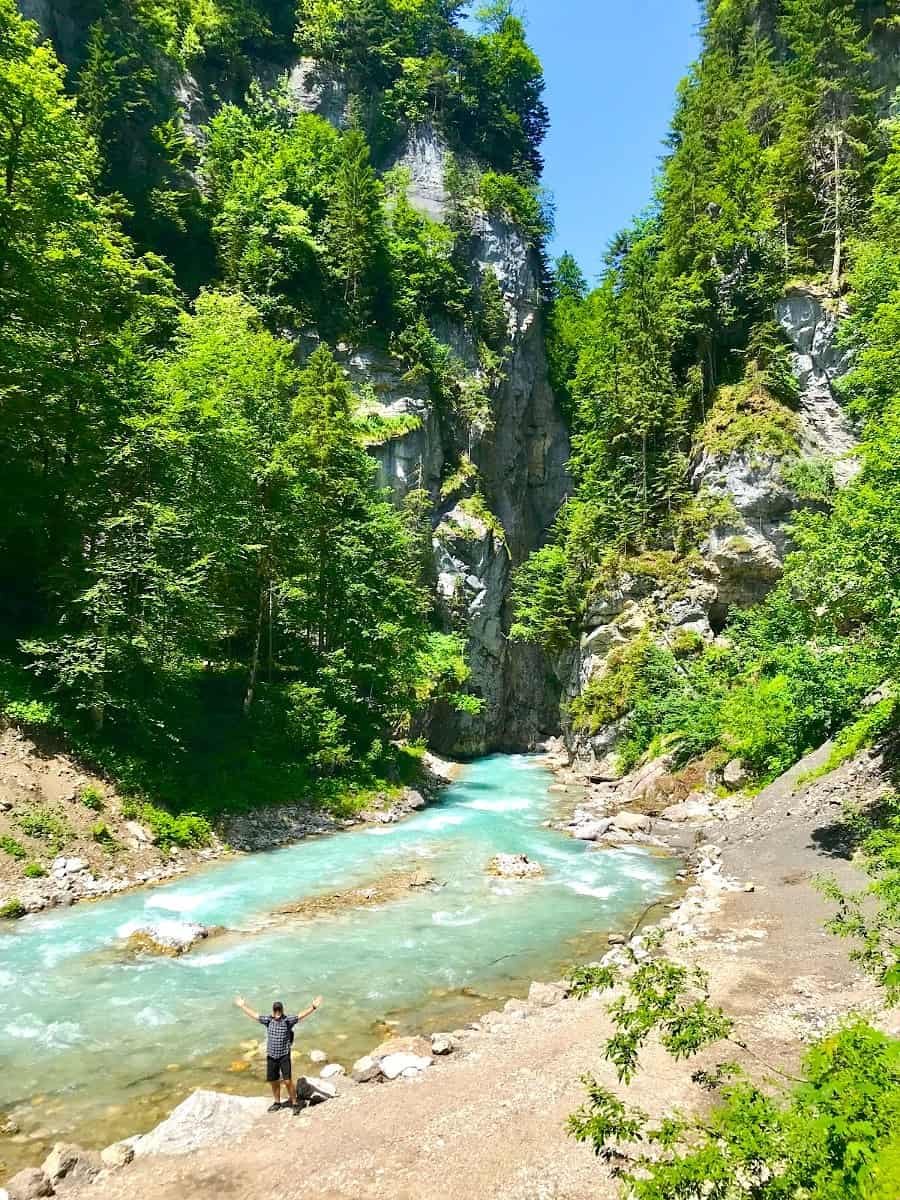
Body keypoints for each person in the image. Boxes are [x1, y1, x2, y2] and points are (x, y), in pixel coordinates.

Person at [235, 994, 323, 1112]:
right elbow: (255, 1015)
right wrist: (243, 1006)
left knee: (287, 1081)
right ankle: (277, 1102)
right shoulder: (268, 1020)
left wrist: (313, 1007)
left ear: (281, 1010)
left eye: (279, 1010)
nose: (277, 1012)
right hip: (271, 1056)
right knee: (274, 1081)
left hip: (284, 1056)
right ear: (273, 1011)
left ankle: (295, 1103)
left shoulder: (287, 1020)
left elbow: (301, 1015)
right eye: (275, 1010)